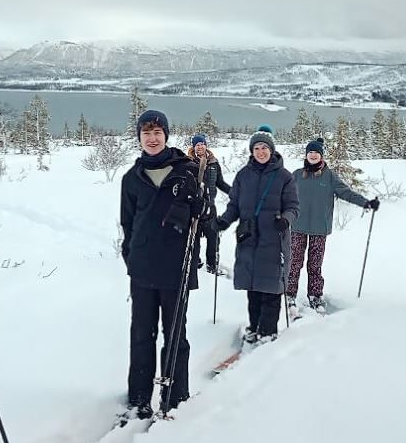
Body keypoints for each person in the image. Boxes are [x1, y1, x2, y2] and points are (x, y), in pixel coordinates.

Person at [120, 110, 203, 419]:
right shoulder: (132, 178)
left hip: (176, 268)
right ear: (139, 138)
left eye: (157, 132)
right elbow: (127, 223)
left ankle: (176, 397)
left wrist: (201, 206)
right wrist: (131, 256)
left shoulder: (186, 172)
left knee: (175, 334)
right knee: (141, 335)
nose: (152, 138)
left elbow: (205, 218)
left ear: (166, 135)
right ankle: (139, 399)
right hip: (142, 270)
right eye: (146, 133)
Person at [216, 126, 299, 342]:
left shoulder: (284, 177)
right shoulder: (243, 175)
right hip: (249, 239)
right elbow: (234, 204)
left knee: (271, 288)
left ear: (272, 150)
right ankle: (254, 327)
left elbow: (293, 206)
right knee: (252, 287)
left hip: (274, 239)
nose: (261, 152)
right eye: (257, 148)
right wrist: (223, 221)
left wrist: (285, 220)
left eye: (264, 148)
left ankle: (268, 331)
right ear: (252, 151)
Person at [287, 138, 379, 313]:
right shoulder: (297, 175)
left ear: (321, 156)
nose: (313, 155)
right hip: (297, 226)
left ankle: (315, 295)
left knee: (315, 265)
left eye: (316, 153)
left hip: (319, 228)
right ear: (306, 155)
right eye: (310, 153)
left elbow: (346, 193)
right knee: (294, 262)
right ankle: (290, 294)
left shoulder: (329, 176)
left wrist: (365, 203)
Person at [187, 133, 232, 274]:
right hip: (194, 208)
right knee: (195, 240)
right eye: (197, 145)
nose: (200, 147)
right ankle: (195, 263)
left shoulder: (214, 163)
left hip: (210, 208)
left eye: (202, 144)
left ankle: (212, 266)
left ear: (206, 145)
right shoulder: (188, 163)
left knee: (214, 239)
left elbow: (220, 183)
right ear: (193, 147)